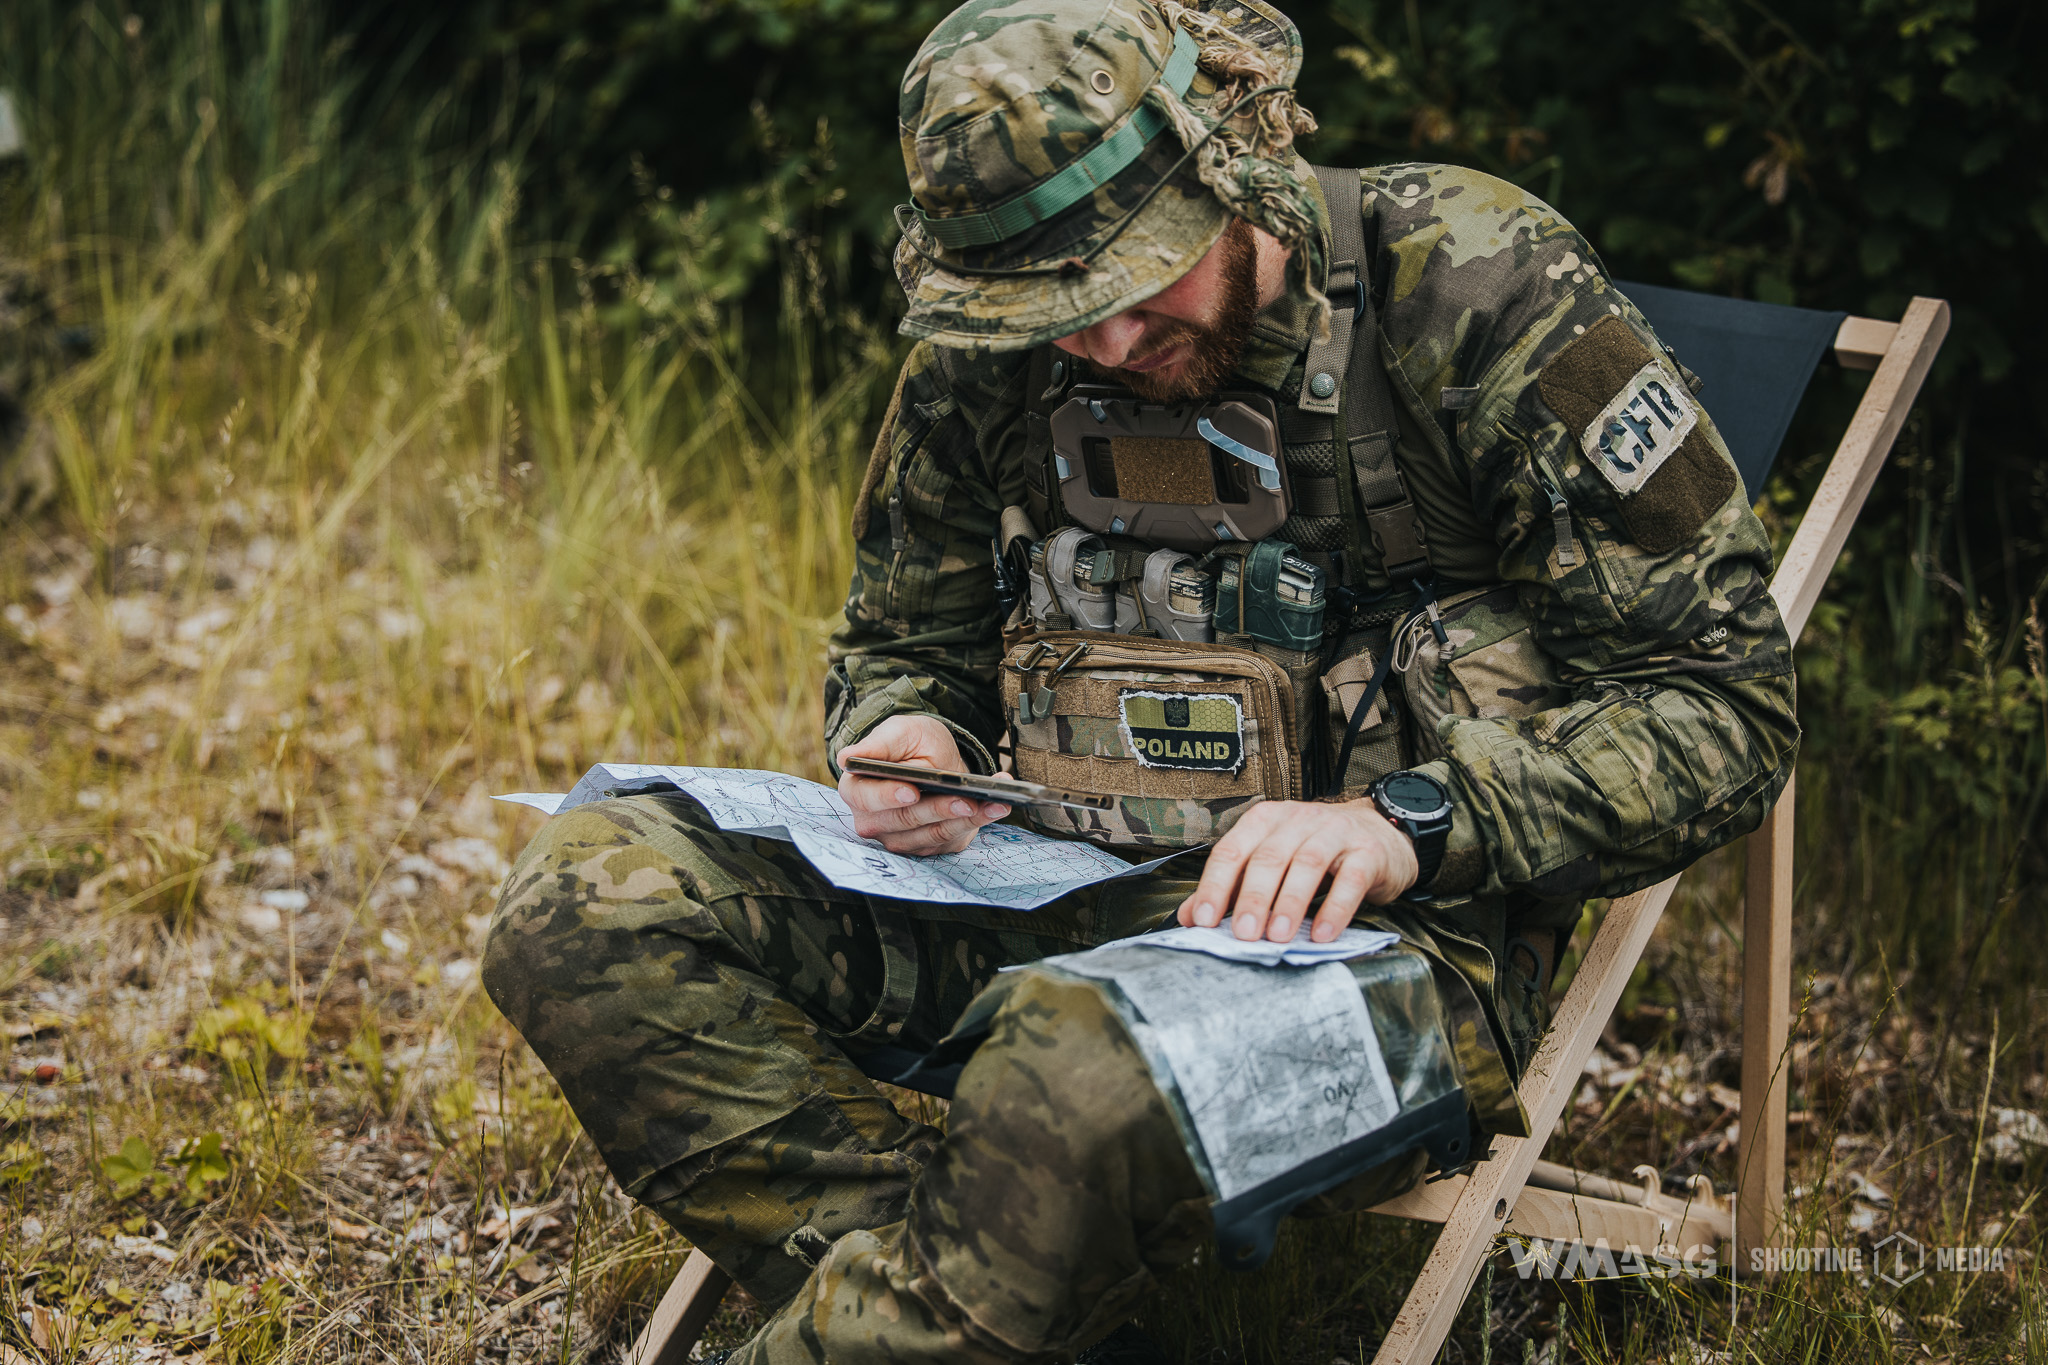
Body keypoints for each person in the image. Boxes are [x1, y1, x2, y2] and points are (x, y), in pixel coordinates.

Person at [481, 0, 1799, 1359]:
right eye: (1055, 314)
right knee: (583, 900)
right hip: (1043, 892)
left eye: (1132, 282)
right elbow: (901, 642)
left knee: (1066, 1060)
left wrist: (1401, 822)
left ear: (1235, 168)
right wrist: (906, 730)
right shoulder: (992, 346)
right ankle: (964, 1296)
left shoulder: (1468, 289)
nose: (1104, 344)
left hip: (1381, 961)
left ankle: (950, 1302)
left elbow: (1725, 704)